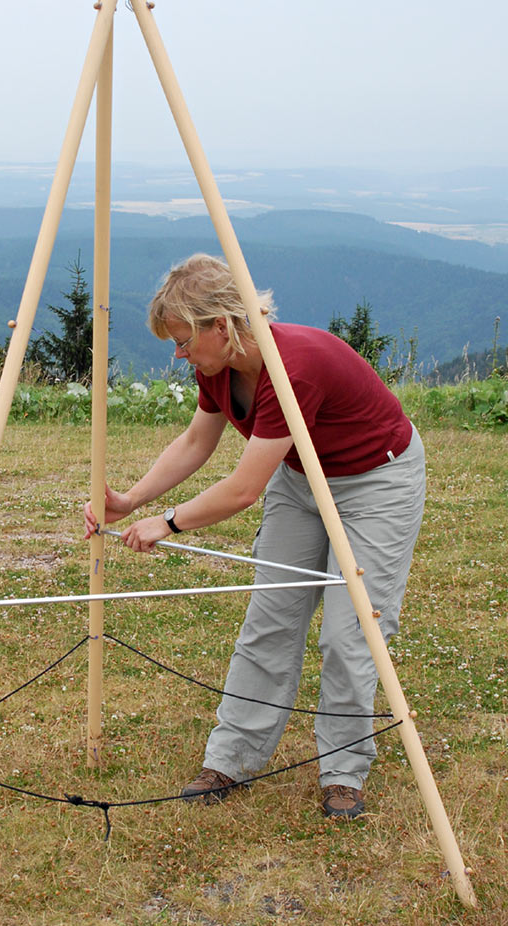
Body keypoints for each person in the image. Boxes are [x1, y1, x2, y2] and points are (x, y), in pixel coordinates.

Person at [83, 253, 425, 819]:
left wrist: (167, 524)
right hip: (300, 480)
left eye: (183, 339)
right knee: (271, 617)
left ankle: (343, 773)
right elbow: (197, 442)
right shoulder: (215, 368)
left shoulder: (296, 367)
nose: (178, 353)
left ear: (223, 325)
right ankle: (231, 759)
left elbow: (242, 489)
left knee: (350, 632)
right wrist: (131, 501)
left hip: (375, 482)